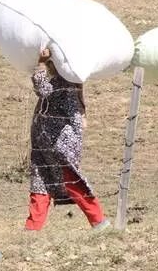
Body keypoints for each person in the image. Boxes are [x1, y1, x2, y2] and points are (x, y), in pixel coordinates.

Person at [25, 48, 110, 231]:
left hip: (60, 144)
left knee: (71, 180)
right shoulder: (67, 82)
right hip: (45, 142)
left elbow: (43, 91)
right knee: (41, 181)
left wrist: (39, 64)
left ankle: (98, 220)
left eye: (51, 63)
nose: (50, 67)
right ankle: (33, 227)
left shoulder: (64, 83)